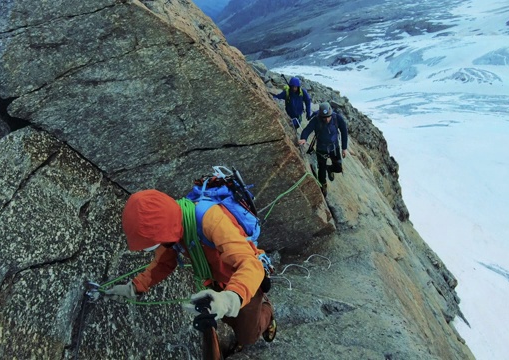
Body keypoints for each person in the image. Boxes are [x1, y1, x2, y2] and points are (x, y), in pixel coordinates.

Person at [105, 189, 276, 352]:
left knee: (248, 336)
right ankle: (243, 323)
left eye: (153, 245)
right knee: (225, 316)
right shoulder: (173, 230)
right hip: (217, 280)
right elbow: (164, 263)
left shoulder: (211, 220)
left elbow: (250, 264)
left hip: (245, 279)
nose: (152, 249)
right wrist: (134, 288)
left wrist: (229, 299)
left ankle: (267, 312)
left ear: (166, 231)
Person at [298, 102, 348, 197]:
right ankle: (323, 186)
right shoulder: (316, 120)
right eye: (324, 117)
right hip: (321, 149)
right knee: (321, 171)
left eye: (328, 117)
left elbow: (344, 131)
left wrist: (344, 148)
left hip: (334, 148)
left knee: (339, 168)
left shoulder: (337, 118)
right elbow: (307, 129)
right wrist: (304, 138)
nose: (326, 119)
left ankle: (330, 169)